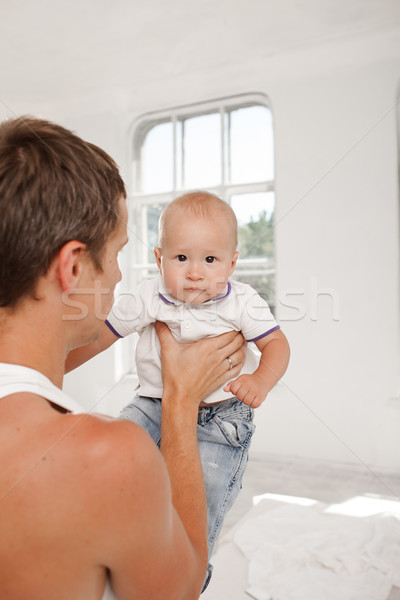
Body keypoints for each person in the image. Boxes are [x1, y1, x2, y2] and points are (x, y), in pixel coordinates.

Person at [0, 116, 247, 600]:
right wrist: (180, 401)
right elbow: (181, 587)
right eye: (115, 254)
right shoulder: (108, 457)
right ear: (73, 266)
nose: (118, 278)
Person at [66, 191, 290, 585]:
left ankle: (189, 571)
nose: (195, 272)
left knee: (201, 498)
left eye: (210, 260)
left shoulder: (243, 301)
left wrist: (261, 380)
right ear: (159, 259)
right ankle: (110, 546)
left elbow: (276, 345)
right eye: (181, 258)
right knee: (114, 456)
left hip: (221, 419)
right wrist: (56, 366)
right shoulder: (149, 295)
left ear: (232, 263)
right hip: (152, 403)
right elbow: (102, 336)